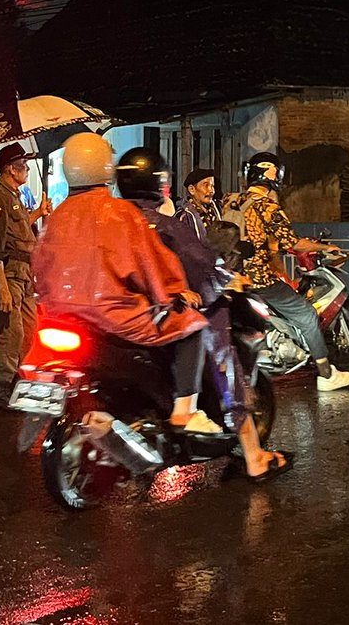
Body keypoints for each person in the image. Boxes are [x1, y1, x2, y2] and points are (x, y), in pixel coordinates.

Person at [115, 147, 292, 478]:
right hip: (170, 312)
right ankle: (254, 458)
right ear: (160, 184)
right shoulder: (166, 224)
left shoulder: (112, 223)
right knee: (226, 365)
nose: (210, 189)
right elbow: (202, 264)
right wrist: (226, 280)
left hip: (124, 315)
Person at [34, 133, 216, 433]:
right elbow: (150, 263)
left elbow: (39, 266)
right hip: (115, 318)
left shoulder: (57, 215)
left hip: (64, 317)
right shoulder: (119, 212)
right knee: (191, 324)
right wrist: (173, 294)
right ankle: (185, 411)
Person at [237, 152, 349, 392]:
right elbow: (293, 243)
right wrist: (325, 247)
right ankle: (326, 374)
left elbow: (264, 242)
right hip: (259, 279)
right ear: (271, 173)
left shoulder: (233, 201)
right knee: (308, 315)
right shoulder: (267, 206)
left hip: (232, 279)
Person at [0, 143, 52, 407]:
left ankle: (3, 379)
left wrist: (37, 214)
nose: (27, 168)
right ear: (10, 168)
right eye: (23, 165)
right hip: (7, 274)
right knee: (11, 334)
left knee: (30, 329)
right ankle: (1, 389)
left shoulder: (13, 196)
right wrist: (2, 287)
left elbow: (17, 231)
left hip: (23, 273)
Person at [177, 168, 221, 239]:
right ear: (192, 189)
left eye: (212, 186)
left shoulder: (215, 210)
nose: (211, 190)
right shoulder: (185, 216)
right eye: (206, 185)